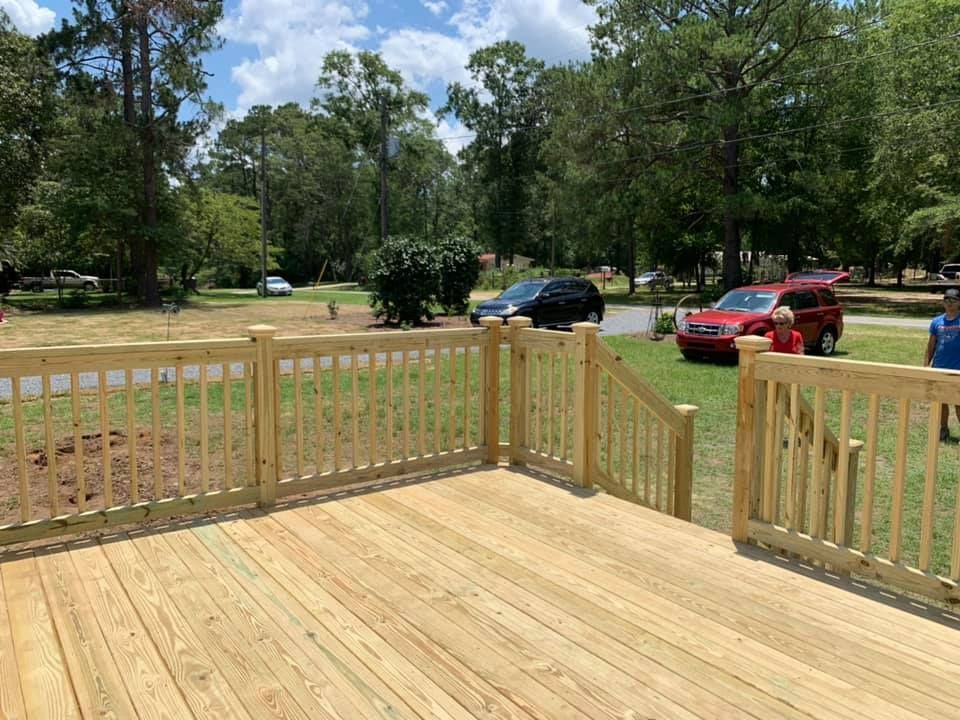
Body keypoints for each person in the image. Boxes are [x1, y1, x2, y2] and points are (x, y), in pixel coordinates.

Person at [925, 287, 960, 441]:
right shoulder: (937, 322)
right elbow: (931, 345)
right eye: (947, 300)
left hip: (957, 369)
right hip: (939, 367)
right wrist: (926, 366)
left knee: (959, 403)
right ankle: (943, 429)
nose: (950, 303)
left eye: (953, 300)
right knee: (941, 402)